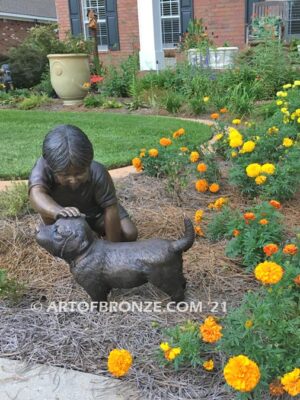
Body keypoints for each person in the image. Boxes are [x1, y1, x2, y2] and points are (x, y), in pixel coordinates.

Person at [28, 124, 138, 242]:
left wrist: (112, 247)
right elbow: (36, 194)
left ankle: (95, 235)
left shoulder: (98, 171)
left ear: (88, 164)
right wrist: (57, 211)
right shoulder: (42, 169)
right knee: (74, 240)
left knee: (129, 233)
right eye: (65, 175)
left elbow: (110, 208)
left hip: (97, 214)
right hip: (65, 216)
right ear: (51, 167)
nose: (73, 180)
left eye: (79, 173)